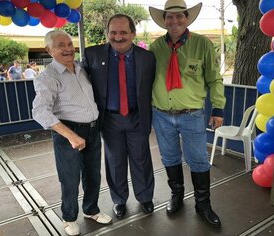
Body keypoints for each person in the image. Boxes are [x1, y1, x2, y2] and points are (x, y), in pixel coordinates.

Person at [149, 0, 226, 228]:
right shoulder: (155, 48)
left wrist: (218, 109)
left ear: (187, 18)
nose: (174, 21)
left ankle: (203, 204)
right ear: (164, 20)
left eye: (179, 16)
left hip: (192, 114)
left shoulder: (202, 44)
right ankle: (177, 195)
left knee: (199, 160)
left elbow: (215, 79)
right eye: (169, 17)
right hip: (161, 114)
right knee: (169, 157)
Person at [32, 30, 112, 236]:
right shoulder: (47, 77)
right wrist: (71, 135)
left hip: (92, 129)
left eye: (69, 44)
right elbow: (40, 111)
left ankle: (91, 210)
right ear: (49, 50)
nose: (68, 48)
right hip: (69, 131)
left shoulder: (81, 69)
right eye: (61, 45)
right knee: (69, 178)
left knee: (93, 174)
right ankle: (69, 218)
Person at [83, 14, 156, 219]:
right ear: (107, 33)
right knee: (115, 162)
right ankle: (119, 200)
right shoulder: (92, 55)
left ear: (132, 33)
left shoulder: (147, 58)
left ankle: (145, 197)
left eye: (123, 32)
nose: (118, 37)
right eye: (113, 32)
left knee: (141, 159)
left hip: (137, 117)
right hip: (110, 119)